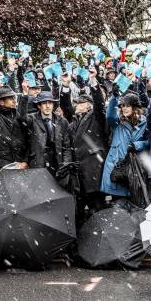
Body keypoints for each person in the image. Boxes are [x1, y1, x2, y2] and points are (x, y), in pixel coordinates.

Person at [59, 66, 109, 223]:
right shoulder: (73, 121)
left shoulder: (96, 117)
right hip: (79, 175)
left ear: (88, 105)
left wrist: (93, 81)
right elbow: (65, 105)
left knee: (99, 211)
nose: (76, 105)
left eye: (79, 103)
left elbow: (100, 103)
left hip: (95, 171)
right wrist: (65, 86)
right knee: (82, 215)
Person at [101, 89, 148, 199]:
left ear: (134, 107)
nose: (124, 108)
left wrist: (137, 145)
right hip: (117, 167)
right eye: (122, 106)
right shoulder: (118, 122)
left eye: (127, 105)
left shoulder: (144, 122)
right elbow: (109, 116)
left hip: (135, 167)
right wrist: (114, 97)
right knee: (118, 203)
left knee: (134, 200)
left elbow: (150, 141)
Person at [22, 91, 71, 178]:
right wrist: (25, 96)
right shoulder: (32, 119)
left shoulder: (63, 121)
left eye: (50, 103)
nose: (48, 106)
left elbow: (67, 146)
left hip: (57, 165)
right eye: (44, 103)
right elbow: (21, 117)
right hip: (38, 164)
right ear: (38, 106)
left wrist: (66, 164)